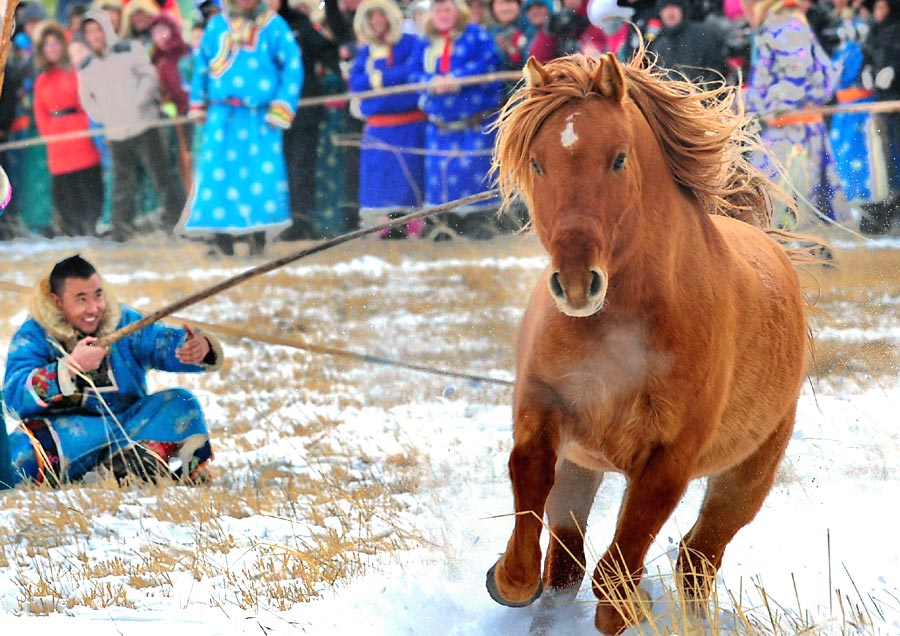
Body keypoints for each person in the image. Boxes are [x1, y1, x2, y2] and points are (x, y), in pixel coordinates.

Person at [1, 255, 223, 488]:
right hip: (63, 439)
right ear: (57, 302)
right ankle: (119, 472)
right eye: (81, 299)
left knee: (181, 401)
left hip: (128, 429)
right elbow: (14, 398)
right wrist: (70, 368)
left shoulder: (124, 321)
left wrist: (198, 348)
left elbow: (161, 342)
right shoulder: (33, 335)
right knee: (17, 457)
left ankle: (126, 468)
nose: (93, 308)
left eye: (98, 295)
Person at [181, 0, 302, 256]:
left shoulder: (273, 25)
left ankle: (256, 234)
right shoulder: (216, 26)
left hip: (259, 116)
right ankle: (220, 235)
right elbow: (202, 65)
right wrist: (198, 102)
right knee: (218, 174)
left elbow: (292, 66)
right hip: (222, 114)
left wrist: (282, 106)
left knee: (258, 175)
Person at [77, 9, 187, 241]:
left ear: (106, 29)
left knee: (161, 176)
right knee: (121, 183)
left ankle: (176, 224)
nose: (95, 36)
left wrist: (137, 103)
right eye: (89, 32)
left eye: (98, 30)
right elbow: (87, 99)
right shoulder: (86, 65)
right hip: (116, 132)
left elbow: (149, 77)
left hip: (144, 125)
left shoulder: (129, 50)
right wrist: (104, 116)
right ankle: (120, 229)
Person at [744, 0, 850, 227]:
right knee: (777, 202)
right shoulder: (778, 23)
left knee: (786, 202)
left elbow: (796, 72)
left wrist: (776, 107)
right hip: (786, 126)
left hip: (793, 127)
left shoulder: (787, 25)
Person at [417, 0, 504, 239]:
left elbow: (489, 61)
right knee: (441, 178)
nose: (442, 15)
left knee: (474, 175)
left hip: (473, 124)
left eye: (447, 9)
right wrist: (431, 83)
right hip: (440, 126)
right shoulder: (426, 41)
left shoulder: (475, 35)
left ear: (458, 12)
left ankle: (479, 221)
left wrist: (457, 78)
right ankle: (445, 222)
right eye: (438, 10)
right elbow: (415, 72)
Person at [349, 0, 427, 239]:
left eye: (381, 15)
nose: (376, 21)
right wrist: (387, 83)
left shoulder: (412, 44)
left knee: (411, 182)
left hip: (410, 125)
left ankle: (416, 223)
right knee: (384, 184)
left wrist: (376, 82)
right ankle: (394, 226)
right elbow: (356, 82)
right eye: (371, 17)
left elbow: (411, 74)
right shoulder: (366, 51)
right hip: (379, 129)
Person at [268, 0, 341, 241]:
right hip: (268, 112)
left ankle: (301, 220)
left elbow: (328, 49)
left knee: (301, 165)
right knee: (277, 166)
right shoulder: (256, 27)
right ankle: (278, 219)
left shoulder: (299, 24)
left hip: (303, 108)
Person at [32, 21, 105, 237]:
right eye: (47, 45)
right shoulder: (41, 80)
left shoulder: (75, 72)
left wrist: (83, 126)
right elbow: (40, 111)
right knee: (65, 191)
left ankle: (92, 228)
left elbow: (87, 101)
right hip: (57, 143)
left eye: (56, 43)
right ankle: (70, 231)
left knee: (87, 185)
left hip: (81, 137)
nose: (52, 48)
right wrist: (50, 134)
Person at [647, 0, 729, 85]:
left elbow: (717, 69)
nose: (670, 12)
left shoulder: (702, 34)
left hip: (703, 94)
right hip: (672, 96)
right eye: (665, 8)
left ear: (682, 10)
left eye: (674, 7)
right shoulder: (658, 45)